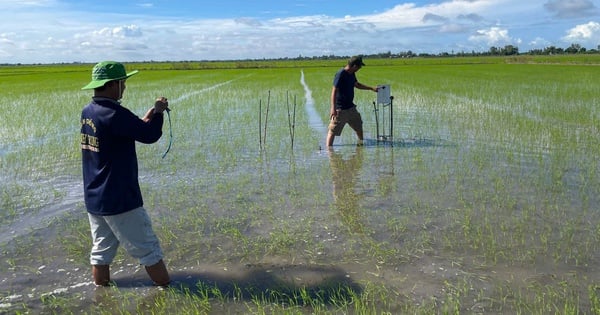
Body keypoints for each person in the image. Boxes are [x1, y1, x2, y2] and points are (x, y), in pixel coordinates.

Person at [80, 61, 170, 287]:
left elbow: (125, 129)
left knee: (101, 251)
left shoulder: (89, 112)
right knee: (149, 250)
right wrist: (158, 113)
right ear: (113, 85)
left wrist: (146, 118)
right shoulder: (115, 113)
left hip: (95, 198)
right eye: (123, 83)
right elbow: (149, 135)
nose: (125, 88)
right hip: (120, 199)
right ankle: (169, 291)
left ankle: (101, 295)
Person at [327, 56, 379, 147]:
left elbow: (356, 84)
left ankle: (360, 145)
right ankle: (329, 151)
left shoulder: (352, 74)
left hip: (351, 108)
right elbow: (334, 91)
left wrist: (371, 88)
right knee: (333, 130)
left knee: (359, 126)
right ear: (354, 66)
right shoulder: (341, 74)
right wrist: (333, 108)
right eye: (359, 67)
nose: (359, 69)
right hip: (340, 109)